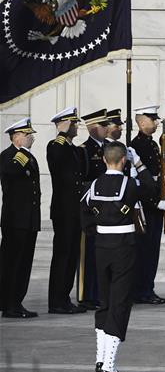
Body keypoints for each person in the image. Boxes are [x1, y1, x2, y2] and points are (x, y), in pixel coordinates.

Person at [83, 141, 149, 372]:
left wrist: (96, 230)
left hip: (101, 247)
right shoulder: (128, 184)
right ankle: (109, 367)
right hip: (123, 248)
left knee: (105, 302)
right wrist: (140, 164)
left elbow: (84, 211)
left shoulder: (95, 183)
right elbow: (151, 188)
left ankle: (100, 358)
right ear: (123, 160)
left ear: (103, 160)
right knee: (119, 304)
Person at [46, 107, 87, 314]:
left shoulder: (73, 149)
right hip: (63, 211)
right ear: (64, 124)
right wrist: (61, 132)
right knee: (62, 255)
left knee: (71, 255)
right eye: (73, 123)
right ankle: (56, 301)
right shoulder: (56, 146)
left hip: (75, 210)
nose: (77, 126)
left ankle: (64, 298)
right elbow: (56, 160)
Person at [130, 105, 165, 306]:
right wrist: (155, 200)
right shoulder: (136, 145)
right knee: (145, 250)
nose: (156, 122)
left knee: (152, 249)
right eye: (152, 119)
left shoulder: (152, 144)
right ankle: (142, 289)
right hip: (146, 206)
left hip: (155, 203)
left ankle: (147, 287)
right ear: (141, 121)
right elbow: (139, 181)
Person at [0, 118, 41, 318]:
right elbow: (12, 171)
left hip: (28, 220)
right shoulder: (9, 156)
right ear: (16, 137)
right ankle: (9, 304)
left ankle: (16, 301)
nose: (31, 137)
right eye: (27, 134)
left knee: (24, 263)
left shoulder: (27, 157)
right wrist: (22, 153)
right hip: (15, 220)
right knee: (12, 262)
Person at [78, 108, 110, 309]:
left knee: (102, 254)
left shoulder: (109, 147)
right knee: (88, 254)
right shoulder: (84, 150)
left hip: (108, 208)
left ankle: (100, 293)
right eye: (103, 125)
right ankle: (86, 295)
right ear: (92, 128)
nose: (107, 128)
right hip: (92, 209)